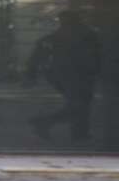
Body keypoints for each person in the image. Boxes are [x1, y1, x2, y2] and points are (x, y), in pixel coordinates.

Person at [26, 10, 102, 144]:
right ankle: (47, 122)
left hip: (61, 74)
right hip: (80, 74)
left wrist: (32, 74)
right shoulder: (87, 34)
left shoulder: (55, 35)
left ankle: (79, 132)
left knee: (80, 104)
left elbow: (37, 55)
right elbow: (98, 55)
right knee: (80, 104)